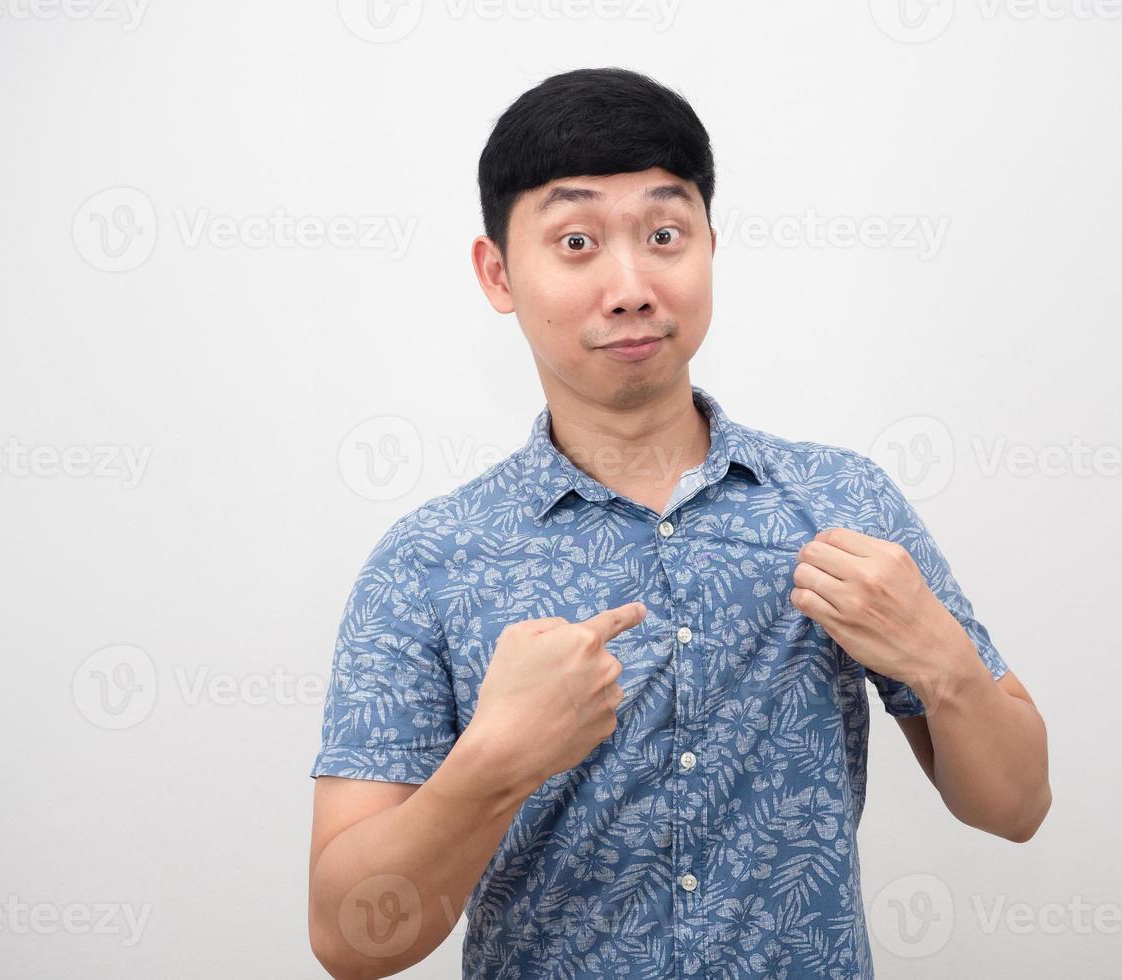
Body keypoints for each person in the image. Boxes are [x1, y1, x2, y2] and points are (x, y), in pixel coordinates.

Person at [307, 66, 1050, 980]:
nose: (629, 286)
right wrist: (495, 760)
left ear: (707, 244)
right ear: (497, 272)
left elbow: (1016, 807)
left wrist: (940, 661)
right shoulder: (428, 562)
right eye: (575, 241)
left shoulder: (840, 501)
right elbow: (349, 940)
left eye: (664, 234)